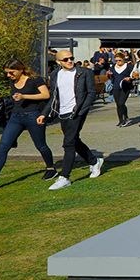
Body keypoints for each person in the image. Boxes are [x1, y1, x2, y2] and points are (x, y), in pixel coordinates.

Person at [0, 59, 56, 191]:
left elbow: (46, 95)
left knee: (40, 145)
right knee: (3, 146)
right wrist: (0, 101)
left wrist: (24, 96)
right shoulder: (12, 81)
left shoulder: (35, 80)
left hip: (33, 116)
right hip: (16, 117)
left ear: (20, 69)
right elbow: (15, 99)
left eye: (11, 72)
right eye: (7, 73)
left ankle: (51, 168)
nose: (9, 75)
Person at [41, 50, 105, 189]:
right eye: (65, 59)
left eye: (71, 58)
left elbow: (91, 93)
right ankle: (94, 161)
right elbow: (54, 97)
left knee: (68, 143)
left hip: (77, 112)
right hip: (62, 113)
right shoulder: (55, 74)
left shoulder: (84, 72)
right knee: (74, 141)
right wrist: (44, 114)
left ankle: (64, 177)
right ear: (58, 62)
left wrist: (81, 110)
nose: (70, 61)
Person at [107, 54, 134, 126]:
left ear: (123, 59)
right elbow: (111, 77)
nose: (118, 62)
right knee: (118, 104)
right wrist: (109, 74)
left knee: (121, 103)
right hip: (116, 87)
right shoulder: (113, 67)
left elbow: (134, 75)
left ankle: (126, 118)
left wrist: (130, 78)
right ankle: (121, 120)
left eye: (119, 60)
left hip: (125, 87)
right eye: (116, 60)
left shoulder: (129, 66)